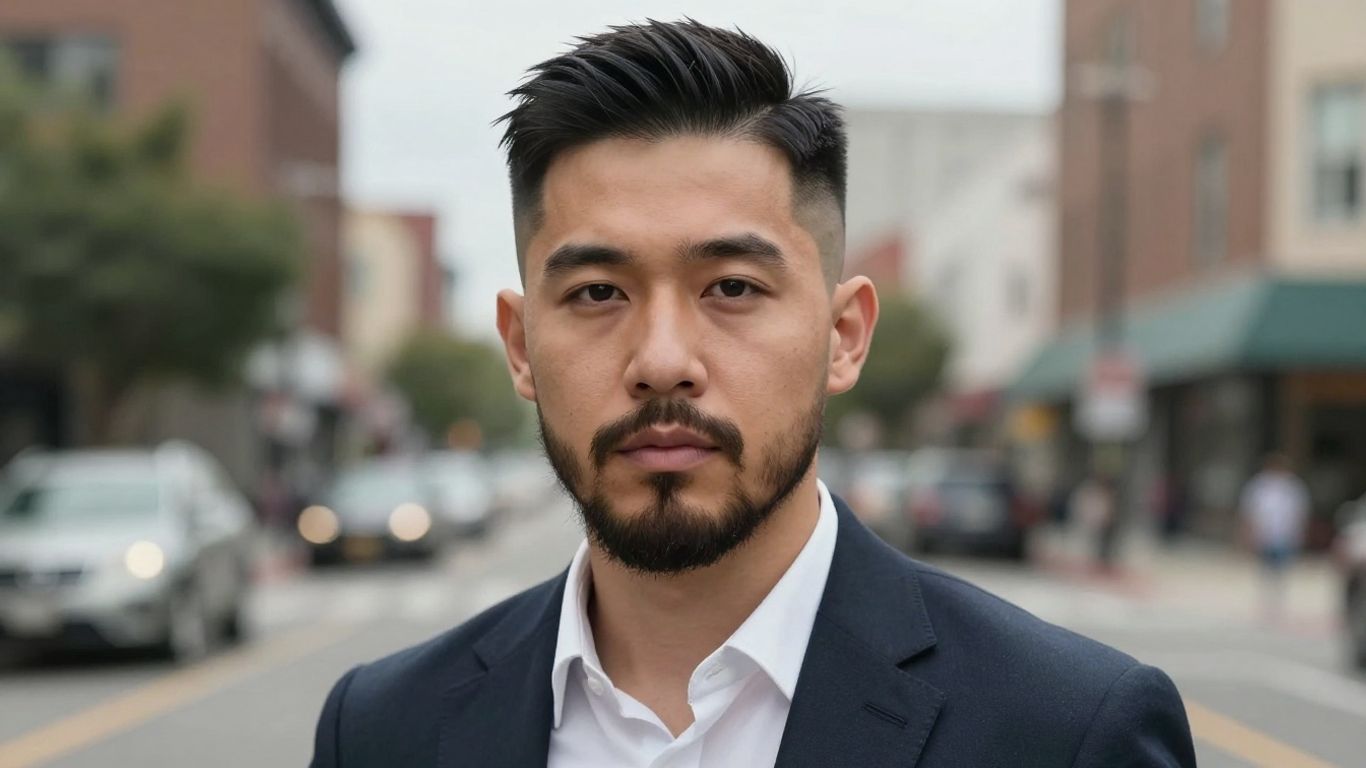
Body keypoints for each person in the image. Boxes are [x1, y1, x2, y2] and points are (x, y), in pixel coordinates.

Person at [309, 20, 1195, 767]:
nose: (662, 361)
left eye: (731, 287)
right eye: (596, 293)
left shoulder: (1069, 733)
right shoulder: (384, 731)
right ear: (521, 346)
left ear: (843, 335)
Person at [1240, 453, 1311, 623]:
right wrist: (1248, 532)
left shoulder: (1293, 487)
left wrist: (1299, 533)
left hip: (1285, 534)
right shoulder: (1259, 486)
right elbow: (1249, 512)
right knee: (1265, 568)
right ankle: (1266, 601)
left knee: (1282, 568)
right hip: (1265, 534)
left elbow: (1300, 512)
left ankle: (1278, 601)